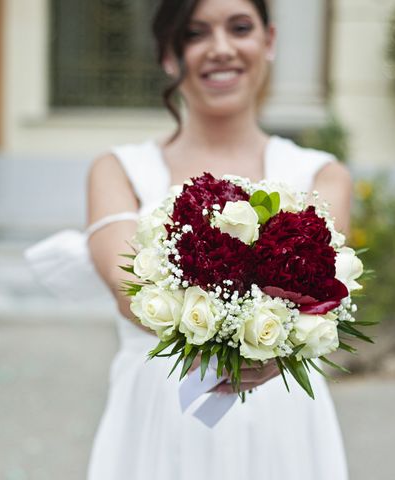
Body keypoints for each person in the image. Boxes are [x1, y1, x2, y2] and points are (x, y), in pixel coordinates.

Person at [85, 0, 352, 478]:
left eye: (240, 28)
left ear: (269, 41)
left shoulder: (321, 175)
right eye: (195, 33)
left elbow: (320, 297)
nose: (221, 49)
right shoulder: (118, 170)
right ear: (169, 54)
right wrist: (226, 342)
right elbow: (129, 290)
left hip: (281, 419)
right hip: (156, 417)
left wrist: (275, 347)